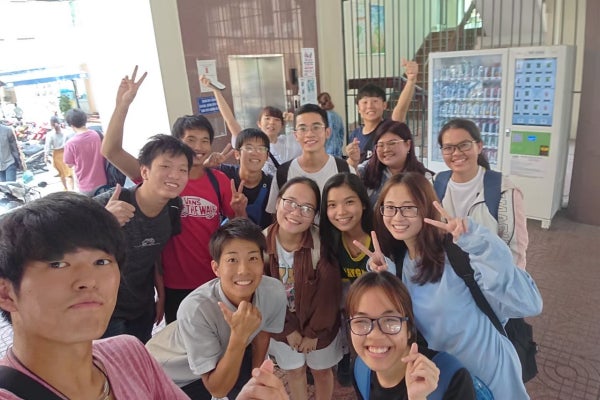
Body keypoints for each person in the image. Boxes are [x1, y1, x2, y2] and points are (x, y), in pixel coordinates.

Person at [357, 172, 543, 399]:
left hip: (490, 373)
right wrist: (385, 277)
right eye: (390, 208)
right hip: (447, 379)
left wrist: (481, 245)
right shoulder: (399, 264)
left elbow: (529, 304)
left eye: (408, 208)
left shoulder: (459, 254)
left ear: (426, 208)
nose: (397, 216)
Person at [0, 192, 190, 399]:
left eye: (101, 262)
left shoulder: (129, 354)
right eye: (58, 264)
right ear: (5, 293)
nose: (88, 281)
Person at [101, 66, 247, 324]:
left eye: (205, 140)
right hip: (174, 285)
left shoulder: (219, 180)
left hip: (214, 279)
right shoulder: (162, 180)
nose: (199, 147)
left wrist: (239, 210)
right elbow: (111, 150)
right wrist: (123, 105)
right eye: (191, 140)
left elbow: (237, 228)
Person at [146, 218, 287, 400]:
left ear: (262, 262)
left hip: (229, 352)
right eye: (232, 260)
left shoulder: (274, 291)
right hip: (177, 374)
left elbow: (262, 333)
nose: (243, 270)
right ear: (216, 268)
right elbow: (218, 390)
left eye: (253, 258)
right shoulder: (195, 309)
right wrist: (239, 335)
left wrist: (256, 379)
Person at [94, 134, 194, 343]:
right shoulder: (111, 203)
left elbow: (156, 251)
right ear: (145, 171)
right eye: (165, 166)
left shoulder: (174, 207)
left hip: (142, 305)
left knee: (140, 356)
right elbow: (64, 242)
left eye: (182, 170)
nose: (174, 175)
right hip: (106, 309)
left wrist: (161, 295)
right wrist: (104, 223)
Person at [263, 177, 342, 400]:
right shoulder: (260, 244)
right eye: (290, 202)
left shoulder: (322, 243)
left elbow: (328, 295)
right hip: (282, 327)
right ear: (277, 202)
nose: (296, 213)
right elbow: (262, 296)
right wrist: (288, 330)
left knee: (321, 371)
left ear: (315, 214)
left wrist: (314, 333)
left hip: (320, 327)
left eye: (307, 208)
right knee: (295, 371)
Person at [347, 271, 477, 400]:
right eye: (361, 321)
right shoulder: (360, 370)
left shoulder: (452, 380)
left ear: (409, 329)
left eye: (390, 320)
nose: (375, 335)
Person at [319, 172, 386, 387]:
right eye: (332, 205)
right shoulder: (330, 241)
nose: (341, 212)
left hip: (384, 319)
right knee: (362, 373)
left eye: (349, 202)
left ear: (363, 203)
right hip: (352, 321)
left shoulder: (381, 238)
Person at [435, 118, 528, 268]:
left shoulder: (504, 191)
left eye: (464, 145)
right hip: (445, 277)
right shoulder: (435, 184)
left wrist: (505, 281)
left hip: (488, 277)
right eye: (448, 148)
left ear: (479, 146)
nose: (456, 153)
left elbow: (515, 250)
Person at [200, 75, 302, 176]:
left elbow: (307, 134)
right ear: (259, 123)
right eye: (267, 118)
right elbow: (230, 120)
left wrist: (295, 119)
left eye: (276, 120)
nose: (271, 122)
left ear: (282, 125)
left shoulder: (288, 141)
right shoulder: (248, 141)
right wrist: (216, 91)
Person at [265, 103, 355, 215]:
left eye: (316, 127)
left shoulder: (345, 170)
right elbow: (275, 214)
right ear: (295, 135)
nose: (309, 134)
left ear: (327, 132)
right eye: (302, 128)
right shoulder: (283, 172)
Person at [346, 59, 418, 166]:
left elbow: (400, 109)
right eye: (365, 102)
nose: (370, 106)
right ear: (358, 108)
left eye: (375, 101)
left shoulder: (388, 128)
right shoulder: (355, 135)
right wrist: (351, 158)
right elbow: (352, 164)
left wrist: (411, 80)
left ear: (384, 105)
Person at [358, 120, 432, 207]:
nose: (386, 149)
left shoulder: (424, 178)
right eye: (381, 145)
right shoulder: (365, 171)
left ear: (408, 145)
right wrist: (352, 162)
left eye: (392, 143)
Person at [215, 128, 273, 229]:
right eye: (249, 148)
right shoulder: (223, 173)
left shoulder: (272, 185)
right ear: (237, 154)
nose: (255, 153)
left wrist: (240, 212)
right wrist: (207, 164)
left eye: (261, 149)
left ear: (267, 156)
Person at [63, 108, 108, 195]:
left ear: (71, 125)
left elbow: (69, 164)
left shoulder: (70, 143)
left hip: (85, 185)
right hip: (103, 181)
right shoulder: (97, 135)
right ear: (85, 120)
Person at [44, 117, 74, 190]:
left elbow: (47, 146)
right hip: (66, 152)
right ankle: (72, 190)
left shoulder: (50, 134)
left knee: (62, 173)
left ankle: (66, 188)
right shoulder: (66, 132)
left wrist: (46, 156)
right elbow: (71, 142)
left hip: (57, 154)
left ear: (51, 124)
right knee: (69, 173)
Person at [317, 92, 345, 158]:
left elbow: (325, 135)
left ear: (320, 104)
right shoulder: (338, 116)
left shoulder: (323, 117)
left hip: (326, 152)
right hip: (338, 151)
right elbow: (342, 133)